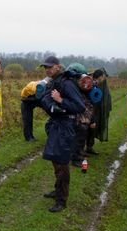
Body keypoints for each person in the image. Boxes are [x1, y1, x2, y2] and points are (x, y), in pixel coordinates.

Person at [39, 56, 86, 212]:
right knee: (55, 159)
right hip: (56, 125)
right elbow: (45, 99)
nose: (47, 69)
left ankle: (62, 200)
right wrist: (51, 106)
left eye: (50, 67)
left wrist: (60, 101)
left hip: (66, 126)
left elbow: (80, 106)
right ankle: (57, 190)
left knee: (62, 163)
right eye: (45, 67)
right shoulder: (53, 82)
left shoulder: (67, 84)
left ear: (58, 67)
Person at [86, 69, 112, 155]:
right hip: (91, 110)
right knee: (87, 129)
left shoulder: (102, 84)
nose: (104, 78)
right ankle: (80, 149)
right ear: (100, 77)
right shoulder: (92, 84)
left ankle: (89, 147)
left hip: (98, 110)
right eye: (103, 76)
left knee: (94, 129)